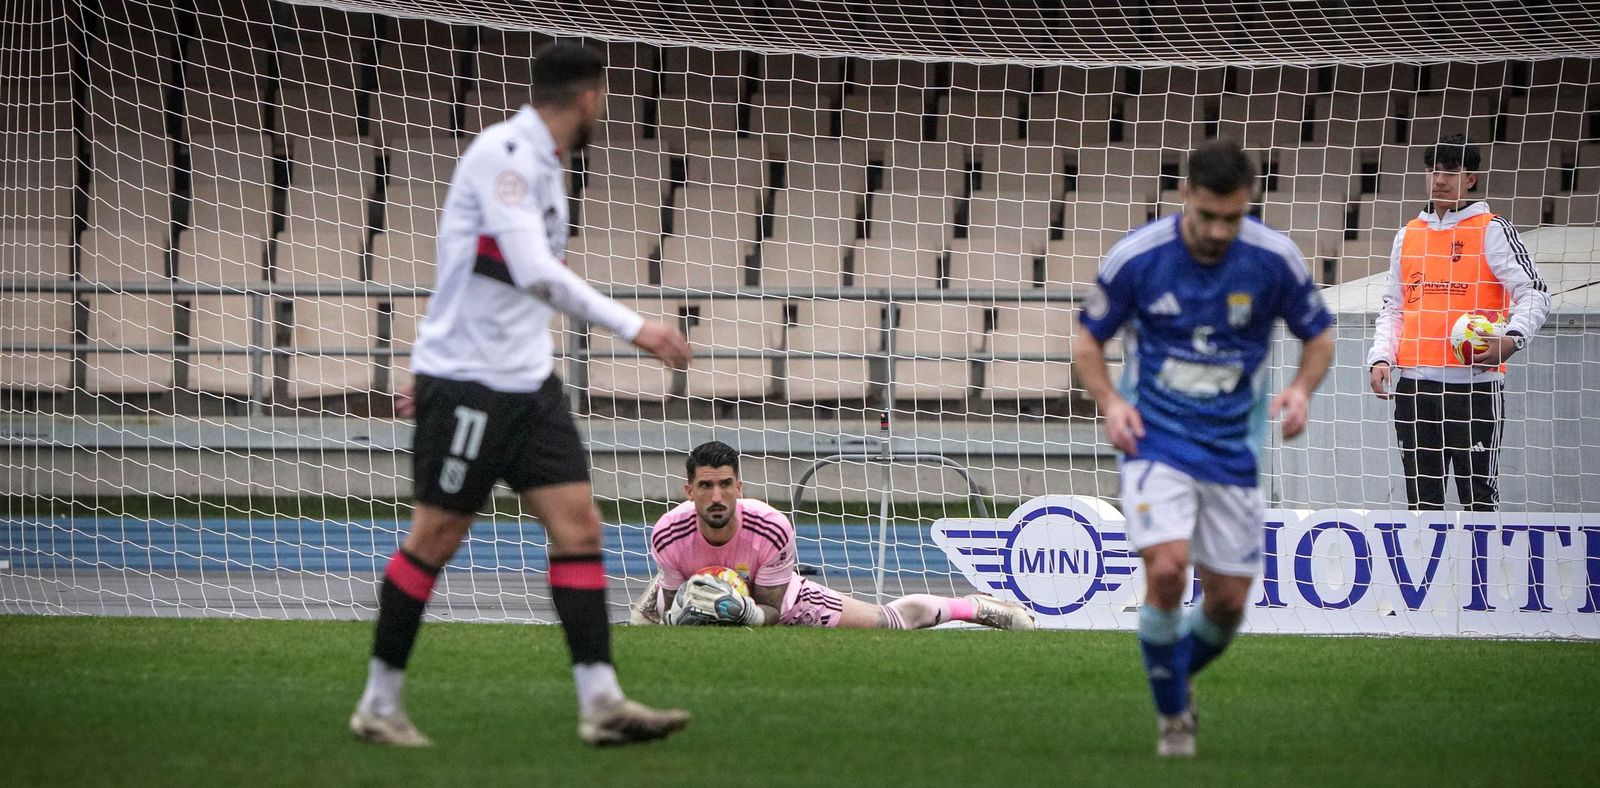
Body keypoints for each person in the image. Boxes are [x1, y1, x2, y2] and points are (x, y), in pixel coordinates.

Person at [350, 42, 694, 748]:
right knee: (436, 537)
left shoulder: (544, 165)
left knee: (580, 529)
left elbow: (489, 274)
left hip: (528, 384)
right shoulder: (505, 152)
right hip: (471, 384)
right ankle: (378, 704)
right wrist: (637, 328)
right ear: (591, 97)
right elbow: (532, 268)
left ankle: (601, 702)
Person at [1073, 139, 1335, 757]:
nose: (1220, 230)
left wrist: (1300, 389)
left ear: (1249, 205)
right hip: (1154, 440)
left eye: (1234, 217)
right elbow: (1088, 342)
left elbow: (1319, 336)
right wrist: (1112, 402)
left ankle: (1172, 670)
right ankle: (1174, 722)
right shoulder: (1138, 258)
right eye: (1208, 215)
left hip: (1232, 452)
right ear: (1185, 196)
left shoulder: (1273, 260)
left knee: (1227, 604)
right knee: (1166, 572)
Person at [627, 441, 1036, 631]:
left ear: (739, 487)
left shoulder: (771, 527)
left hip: (783, 601)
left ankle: (975, 607)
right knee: (642, 626)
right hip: (704, 590)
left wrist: (747, 614)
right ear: (688, 491)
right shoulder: (667, 532)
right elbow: (672, 619)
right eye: (704, 486)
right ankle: (659, 584)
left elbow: (771, 608)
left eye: (724, 485)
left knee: (887, 623)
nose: (715, 497)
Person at [1366, 134, 1550, 511]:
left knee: (1479, 499)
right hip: (1415, 389)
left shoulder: (1492, 229)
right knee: (1421, 502)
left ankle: (1484, 571)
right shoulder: (1408, 235)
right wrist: (1381, 357)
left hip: (1475, 389)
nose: (1439, 180)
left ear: (1471, 179)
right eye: (1433, 171)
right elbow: (1393, 308)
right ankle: (1426, 571)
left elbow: (1535, 292)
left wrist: (1513, 338)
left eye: (1450, 171)